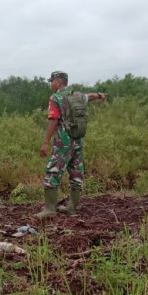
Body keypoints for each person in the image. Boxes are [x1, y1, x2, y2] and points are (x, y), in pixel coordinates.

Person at [36, 70, 106, 219]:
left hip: (63, 141)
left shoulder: (55, 98)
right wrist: (101, 95)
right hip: (78, 140)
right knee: (76, 172)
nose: (51, 84)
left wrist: (45, 143)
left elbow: (54, 121)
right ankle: (72, 208)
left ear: (59, 82)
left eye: (52, 81)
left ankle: (49, 209)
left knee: (52, 171)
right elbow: (91, 96)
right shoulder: (78, 95)